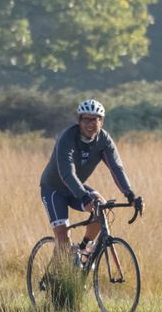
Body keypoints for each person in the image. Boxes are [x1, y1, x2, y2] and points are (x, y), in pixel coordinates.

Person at [39, 99, 143, 263]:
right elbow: (67, 172)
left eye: (95, 119)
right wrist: (83, 196)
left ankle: (84, 249)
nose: (90, 124)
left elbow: (116, 168)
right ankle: (56, 281)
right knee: (63, 236)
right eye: (86, 119)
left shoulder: (104, 140)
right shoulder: (67, 138)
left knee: (100, 207)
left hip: (76, 188)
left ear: (101, 121)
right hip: (54, 189)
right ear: (79, 121)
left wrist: (130, 194)